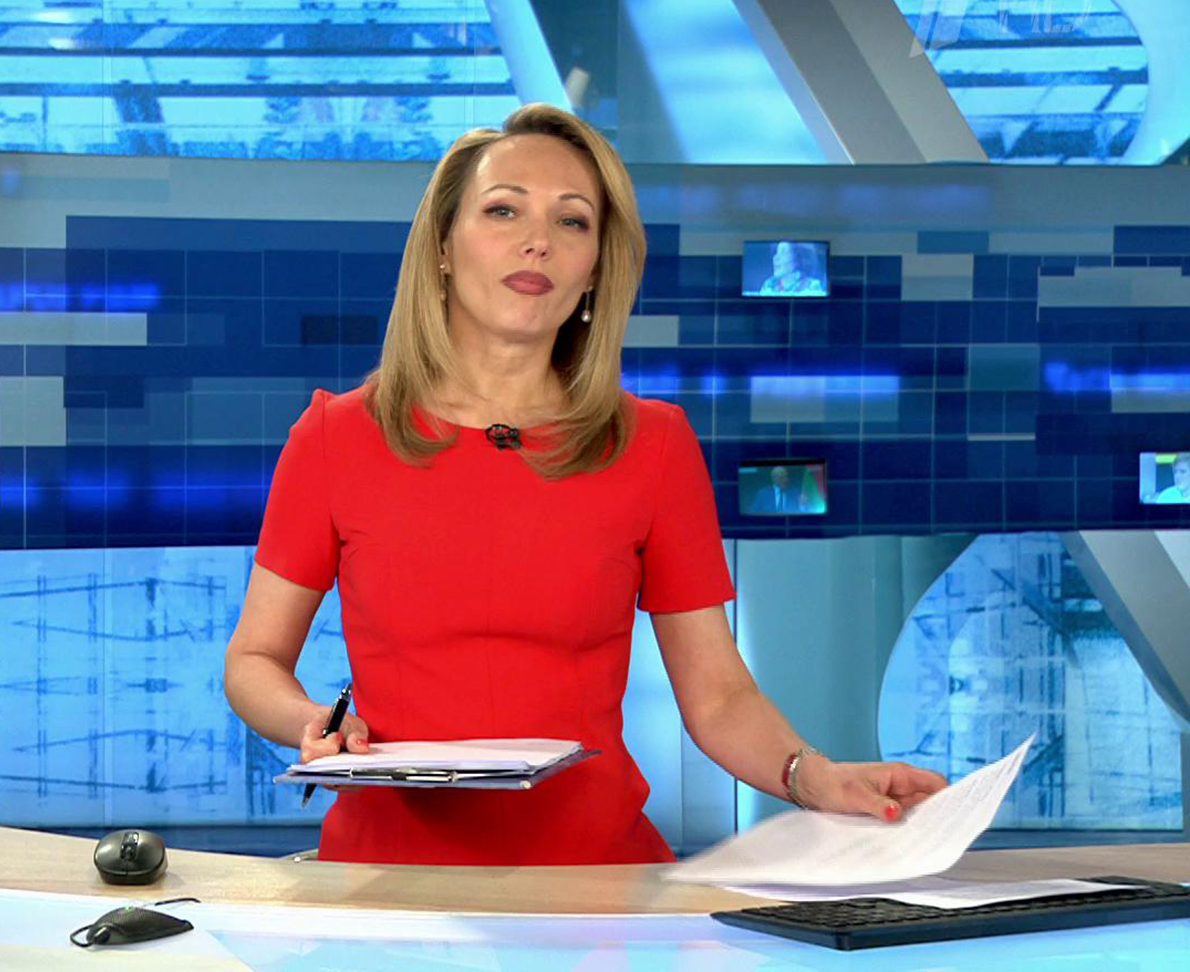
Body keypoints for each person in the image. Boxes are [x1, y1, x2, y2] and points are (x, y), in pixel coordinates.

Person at [223, 103, 945, 866]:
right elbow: (254, 661)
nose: (538, 239)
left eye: (572, 221)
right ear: (441, 247)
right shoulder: (336, 437)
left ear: (596, 269)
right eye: (503, 210)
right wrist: (313, 721)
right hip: (387, 880)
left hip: (599, 883)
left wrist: (814, 777)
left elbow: (719, 696)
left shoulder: (652, 445)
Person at [756, 240, 823, 296]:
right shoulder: (769, 285)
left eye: (783, 252)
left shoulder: (812, 286)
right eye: (776, 252)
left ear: (798, 259)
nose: (776, 258)